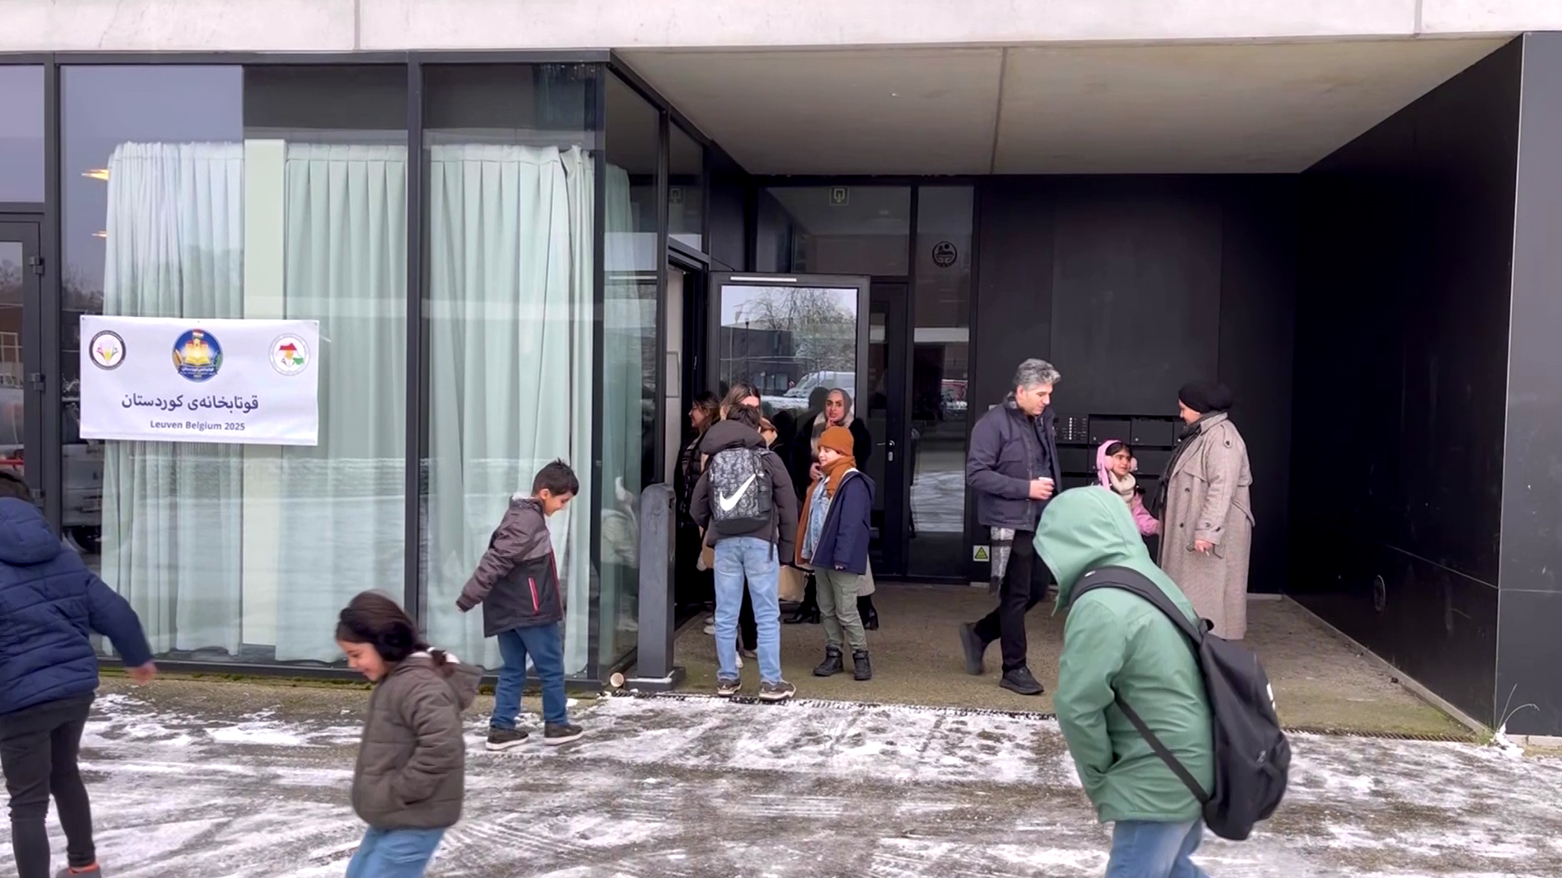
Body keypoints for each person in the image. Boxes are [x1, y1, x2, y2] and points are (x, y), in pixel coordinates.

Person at [1036, 487, 1214, 878]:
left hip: (1156, 778)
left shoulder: (1100, 604)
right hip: (1195, 762)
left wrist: (1101, 779)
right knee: (1175, 869)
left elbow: (1078, 706)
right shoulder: (1151, 579)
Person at [0, 471, 155, 878]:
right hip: (73, 691)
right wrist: (137, 655)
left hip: (18, 698)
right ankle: (84, 866)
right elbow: (114, 610)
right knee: (65, 774)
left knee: (27, 802)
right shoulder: (62, 555)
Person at [337, 591, 480, 878]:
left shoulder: (418, 684)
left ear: (386, 643)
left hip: (417, 814)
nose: (352, 665)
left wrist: (401, 790)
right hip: (396, 812)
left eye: (356, 655)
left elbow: (443, 746)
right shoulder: (399, 679)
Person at [456, 460, 584, 749]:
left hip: (510, 609)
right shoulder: (527, 522)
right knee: (551, 666)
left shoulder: (521, 516)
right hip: (531, 610)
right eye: (562, 501)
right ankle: (556, 724)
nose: (563, 507)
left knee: (513, 667)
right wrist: (470, 595)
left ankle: (502, 728)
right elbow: (496, 559)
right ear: (544, 493)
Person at [957, 358, 1062, 696]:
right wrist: (1026, 488)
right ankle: (1014, 668)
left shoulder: (1042, 421)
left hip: (1039, 520)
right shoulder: (992, 424)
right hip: (1009, 521)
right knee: (1016, 595)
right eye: (1042, 394)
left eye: (1049, 394)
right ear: (1021, 391)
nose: (1047, 400)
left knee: (1035, 590)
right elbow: (976, 474)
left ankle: (980, 633)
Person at [690, 403, 800, 700]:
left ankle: (727, 679)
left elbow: (696, 506)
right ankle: (771, 682)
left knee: (726, 613)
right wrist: (787, 552)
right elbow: (789, 507)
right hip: (760, 543)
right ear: (754, 428)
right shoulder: (768, 458)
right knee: (766, 614)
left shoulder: (715, 460)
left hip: (725, 543)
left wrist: (716, 526)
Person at [1152, 381, 1254, 641]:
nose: (1181, 414)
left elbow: (1223, 487)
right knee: (1191, 598)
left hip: (1207, 538)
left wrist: (1207, 531)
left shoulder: (1221, 437)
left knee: (1209, 602)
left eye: (1184, 408)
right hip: (1190, 532)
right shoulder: (1202, 434)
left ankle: (1211, 656)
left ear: (1199, 409)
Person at [788, 388, 878, 629]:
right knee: (815, 547)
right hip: (816, 495)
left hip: (843, 496)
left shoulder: (856, 429)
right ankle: (812, 604)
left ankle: (866, 608)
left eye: (839, 404)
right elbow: (796, 457)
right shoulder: (812, 426)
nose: (833, 408)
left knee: (849, 552)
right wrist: (808, 468)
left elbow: (856, 459)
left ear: (846, 406)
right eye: (829, 403)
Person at [797, 426, 875, 681]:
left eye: (827, 450)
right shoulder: (824, 481)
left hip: (841, 560)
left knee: (846, 610)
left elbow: (850, 525)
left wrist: (841, 557)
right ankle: (833, 654)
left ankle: (860, 656)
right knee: (827, 608)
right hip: (822, 556)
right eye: (820, 449)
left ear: (842, 451)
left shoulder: (851, 482)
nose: (821, 454)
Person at [676, 391, 722, 611]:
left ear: (705, 411)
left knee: (705, 558)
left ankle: (706, 601)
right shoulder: (695, 438)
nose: (689, 413)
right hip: (691, 510)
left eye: (694, 408)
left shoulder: (713, 440)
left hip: (700, 514)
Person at [1097, 440, 1160, 536]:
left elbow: (1138, 516)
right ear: (1107, 461)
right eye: (1119, 457)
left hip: (1126, 542)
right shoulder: (1097, 490)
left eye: (1128, 458)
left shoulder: (1132, 489)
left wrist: (1156, 527)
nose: (1125, 462)